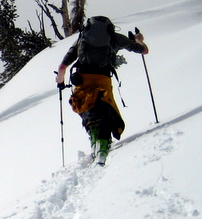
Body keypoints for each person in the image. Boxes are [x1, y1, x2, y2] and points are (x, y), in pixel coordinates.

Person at [55, 16, 148, 165]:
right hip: (102, 78)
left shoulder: (81, 40)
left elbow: (62, 68)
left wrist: (60, 82)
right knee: (105, 111)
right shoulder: (116, 38)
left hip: (82, 79)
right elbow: (144, 51)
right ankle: (102, 148)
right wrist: (139, 39)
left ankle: (94, 143)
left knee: (87, 109)